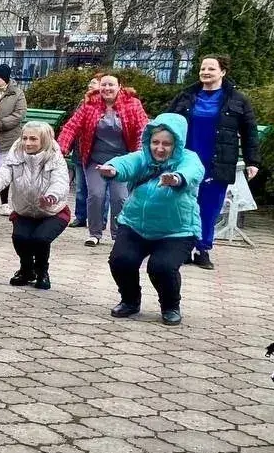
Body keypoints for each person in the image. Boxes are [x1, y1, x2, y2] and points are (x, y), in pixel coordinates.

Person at [98, 113, 205, 326]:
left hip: (177, 231)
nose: (160, 148)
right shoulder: (143, 158)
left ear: (177, 144)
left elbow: (193, 172)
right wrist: (112, 169)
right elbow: (125, 163)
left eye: (167, 144)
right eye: (155, 142)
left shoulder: (189, 158)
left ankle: (170, 306)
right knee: (121, 260)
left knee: (161, 267)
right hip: (135, 225)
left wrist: (176, 178)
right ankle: (130, 301)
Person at [168, 54, 261, 270]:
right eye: (203, 68)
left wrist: (252, 161)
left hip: (218, 162)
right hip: (186, 161)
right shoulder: (186, 96)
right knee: (183, 204)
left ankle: (202, 249)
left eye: (211, 69)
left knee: (209, 207)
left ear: (223, 72)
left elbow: (250, 132)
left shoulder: (237, 100)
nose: (205, 72)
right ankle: (183, 248)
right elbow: (167, 122)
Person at [57, 73, 148, 247]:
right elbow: (71, 126)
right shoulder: (89, 104)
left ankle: (119, 234)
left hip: (122, 161)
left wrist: (138, 154)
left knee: (119, 197)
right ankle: (94, 233)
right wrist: (61, 148)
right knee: (95, 195)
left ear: (119, 86)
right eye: (103, 85)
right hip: (95, 160)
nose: (107, 88)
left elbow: (142, 130)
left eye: (111, 85)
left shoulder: (133, 104)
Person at [0, 122, 71, 289]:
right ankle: (26, 270)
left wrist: (52, 196)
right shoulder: (16, 153)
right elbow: (3, 173)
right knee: (20, 238)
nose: (27, 143)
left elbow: (61, 181)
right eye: (25, 138)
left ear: (44, 140)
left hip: (52, 211)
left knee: (40, 239)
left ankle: (42, 272)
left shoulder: (55, 157)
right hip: (25, 210)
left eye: (33, 139)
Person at [0, 64, 28, 216]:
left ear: (5, 78)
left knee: (6, 171)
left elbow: (19, 114)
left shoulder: (17, 93)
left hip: (8, 139)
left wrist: (0, 123)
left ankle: (5, 204)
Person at [69, 77, 104, 229]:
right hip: (80, 151)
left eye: (94, 83)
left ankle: (99, 220)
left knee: (98, 190)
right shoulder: (83, 102)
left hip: (97, 154)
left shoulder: (107, 105)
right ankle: (80, 216)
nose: (90, 85)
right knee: (80, 188)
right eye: (90, 82)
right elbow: (73, 125)